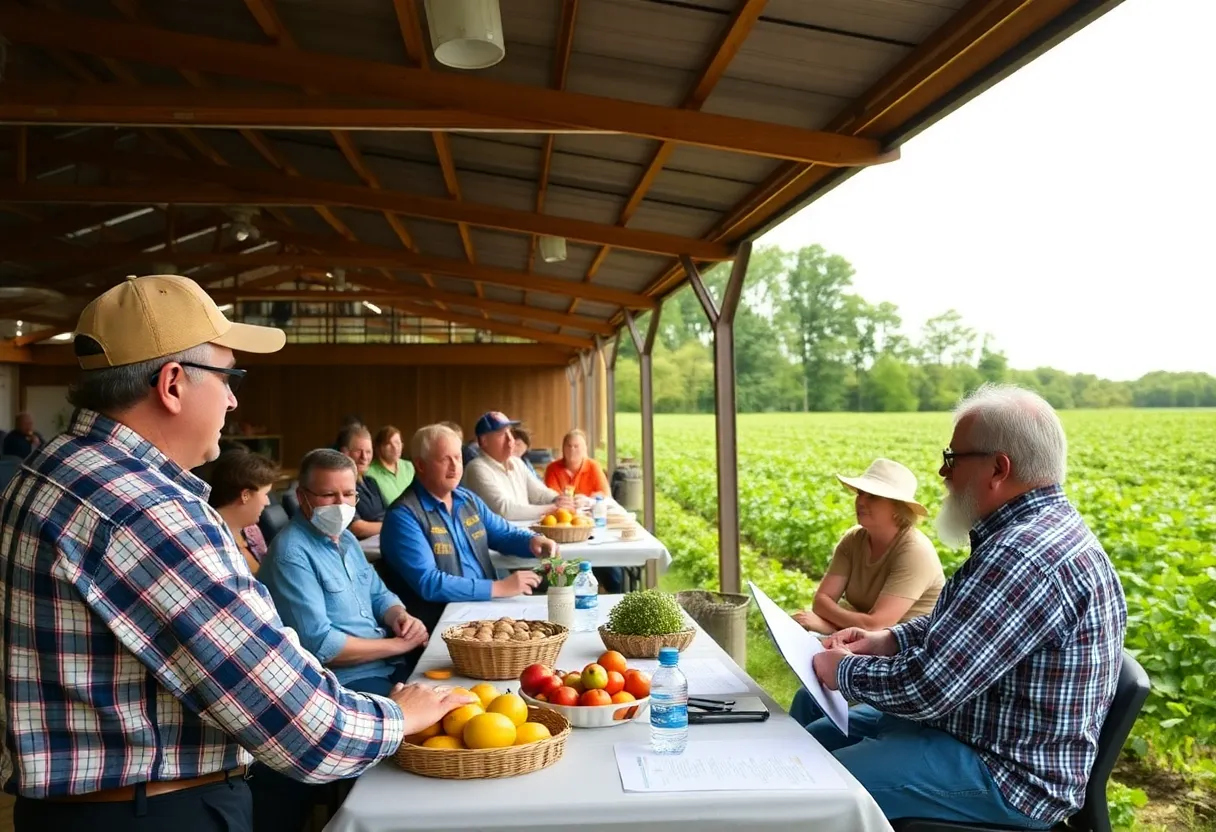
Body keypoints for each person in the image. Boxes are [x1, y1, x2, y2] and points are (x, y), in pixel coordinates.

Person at [0, 274, 473, 832]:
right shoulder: (146, 509)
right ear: (172, 384)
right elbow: (301, 725)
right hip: (155, 811)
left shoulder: (45, 472)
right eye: (229, 377)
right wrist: (402, 716)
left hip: (71, 810)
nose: (232, 398)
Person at [803, 384, 1127, 829]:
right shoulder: (1028, 534)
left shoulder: (1023, 554)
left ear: (998, 468)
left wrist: (841, 671)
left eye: (953, 459)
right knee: (811, 743)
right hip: (972, 731)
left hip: (1008, 774)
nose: (942, 471)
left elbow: (931, 687)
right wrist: (886, 639)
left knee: (815, 789)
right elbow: (960, 631)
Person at [258, 449, 428, 695]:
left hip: (387, 664)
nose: (340, 505)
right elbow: (322, 645)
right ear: (302, 496)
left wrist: (400, 617)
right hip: (345, 682)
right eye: (328, 495)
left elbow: (378, 594)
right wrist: (398, 645)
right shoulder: (291, 554)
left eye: (348, 494)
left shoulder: (346, 538)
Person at [380, 424, 556, 632]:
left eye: (458, 457)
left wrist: (532, 541)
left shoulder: (467, 499)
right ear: (420, 465)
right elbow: (429, 582)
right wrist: (499, 587)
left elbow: (503, 533)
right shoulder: (403, 516)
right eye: (445, 459)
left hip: (487, 612)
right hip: (442, 623)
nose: (455, 466)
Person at [790, 458, 943, 635]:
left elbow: (876, 626)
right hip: (864, 637)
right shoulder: (853, 539)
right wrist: (851, 624)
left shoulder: (915, 553)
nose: (860, 501)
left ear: (898, 508)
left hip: (905, 647)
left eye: (873, 496)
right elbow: (821, 601)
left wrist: (831, 628)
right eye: (860, 493)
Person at [462, 411, 574, 522]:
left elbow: (539, 493)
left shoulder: (517, 462)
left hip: (524, 533)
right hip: (497, 539)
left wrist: (559, 499)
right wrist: (553, 508)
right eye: (502, 434)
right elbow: (504, 510)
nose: (510, 439)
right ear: (484, 441)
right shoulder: (476, 468)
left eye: (509, 432)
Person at [206, 447, 280, 575]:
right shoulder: (210, 542)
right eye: (265, 493)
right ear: (245, 495)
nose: (267, 502)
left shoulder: (251, 530)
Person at [338, 424, 385, 540]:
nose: (364, 457)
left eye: (368, 452)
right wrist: (394, 526)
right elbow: (357, 528)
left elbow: (388, 513)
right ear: (345, 453)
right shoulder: (340, 487)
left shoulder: (371, 482)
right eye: (359, 451)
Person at [543, 428, 610, 497]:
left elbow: (605, 494)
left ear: (585, 449)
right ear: (563, 448)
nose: (572, 449)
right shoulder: (552, 468)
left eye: (576, 446)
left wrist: (588, 500)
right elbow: (552, 497)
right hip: (562, 507)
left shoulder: (593, 466)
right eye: (569, 446)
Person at [366, 425, 414, 505]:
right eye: (388, 444)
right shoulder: (369, 473)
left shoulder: (409, 466)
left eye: (397, 443)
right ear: (379, 448)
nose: (395, 447)